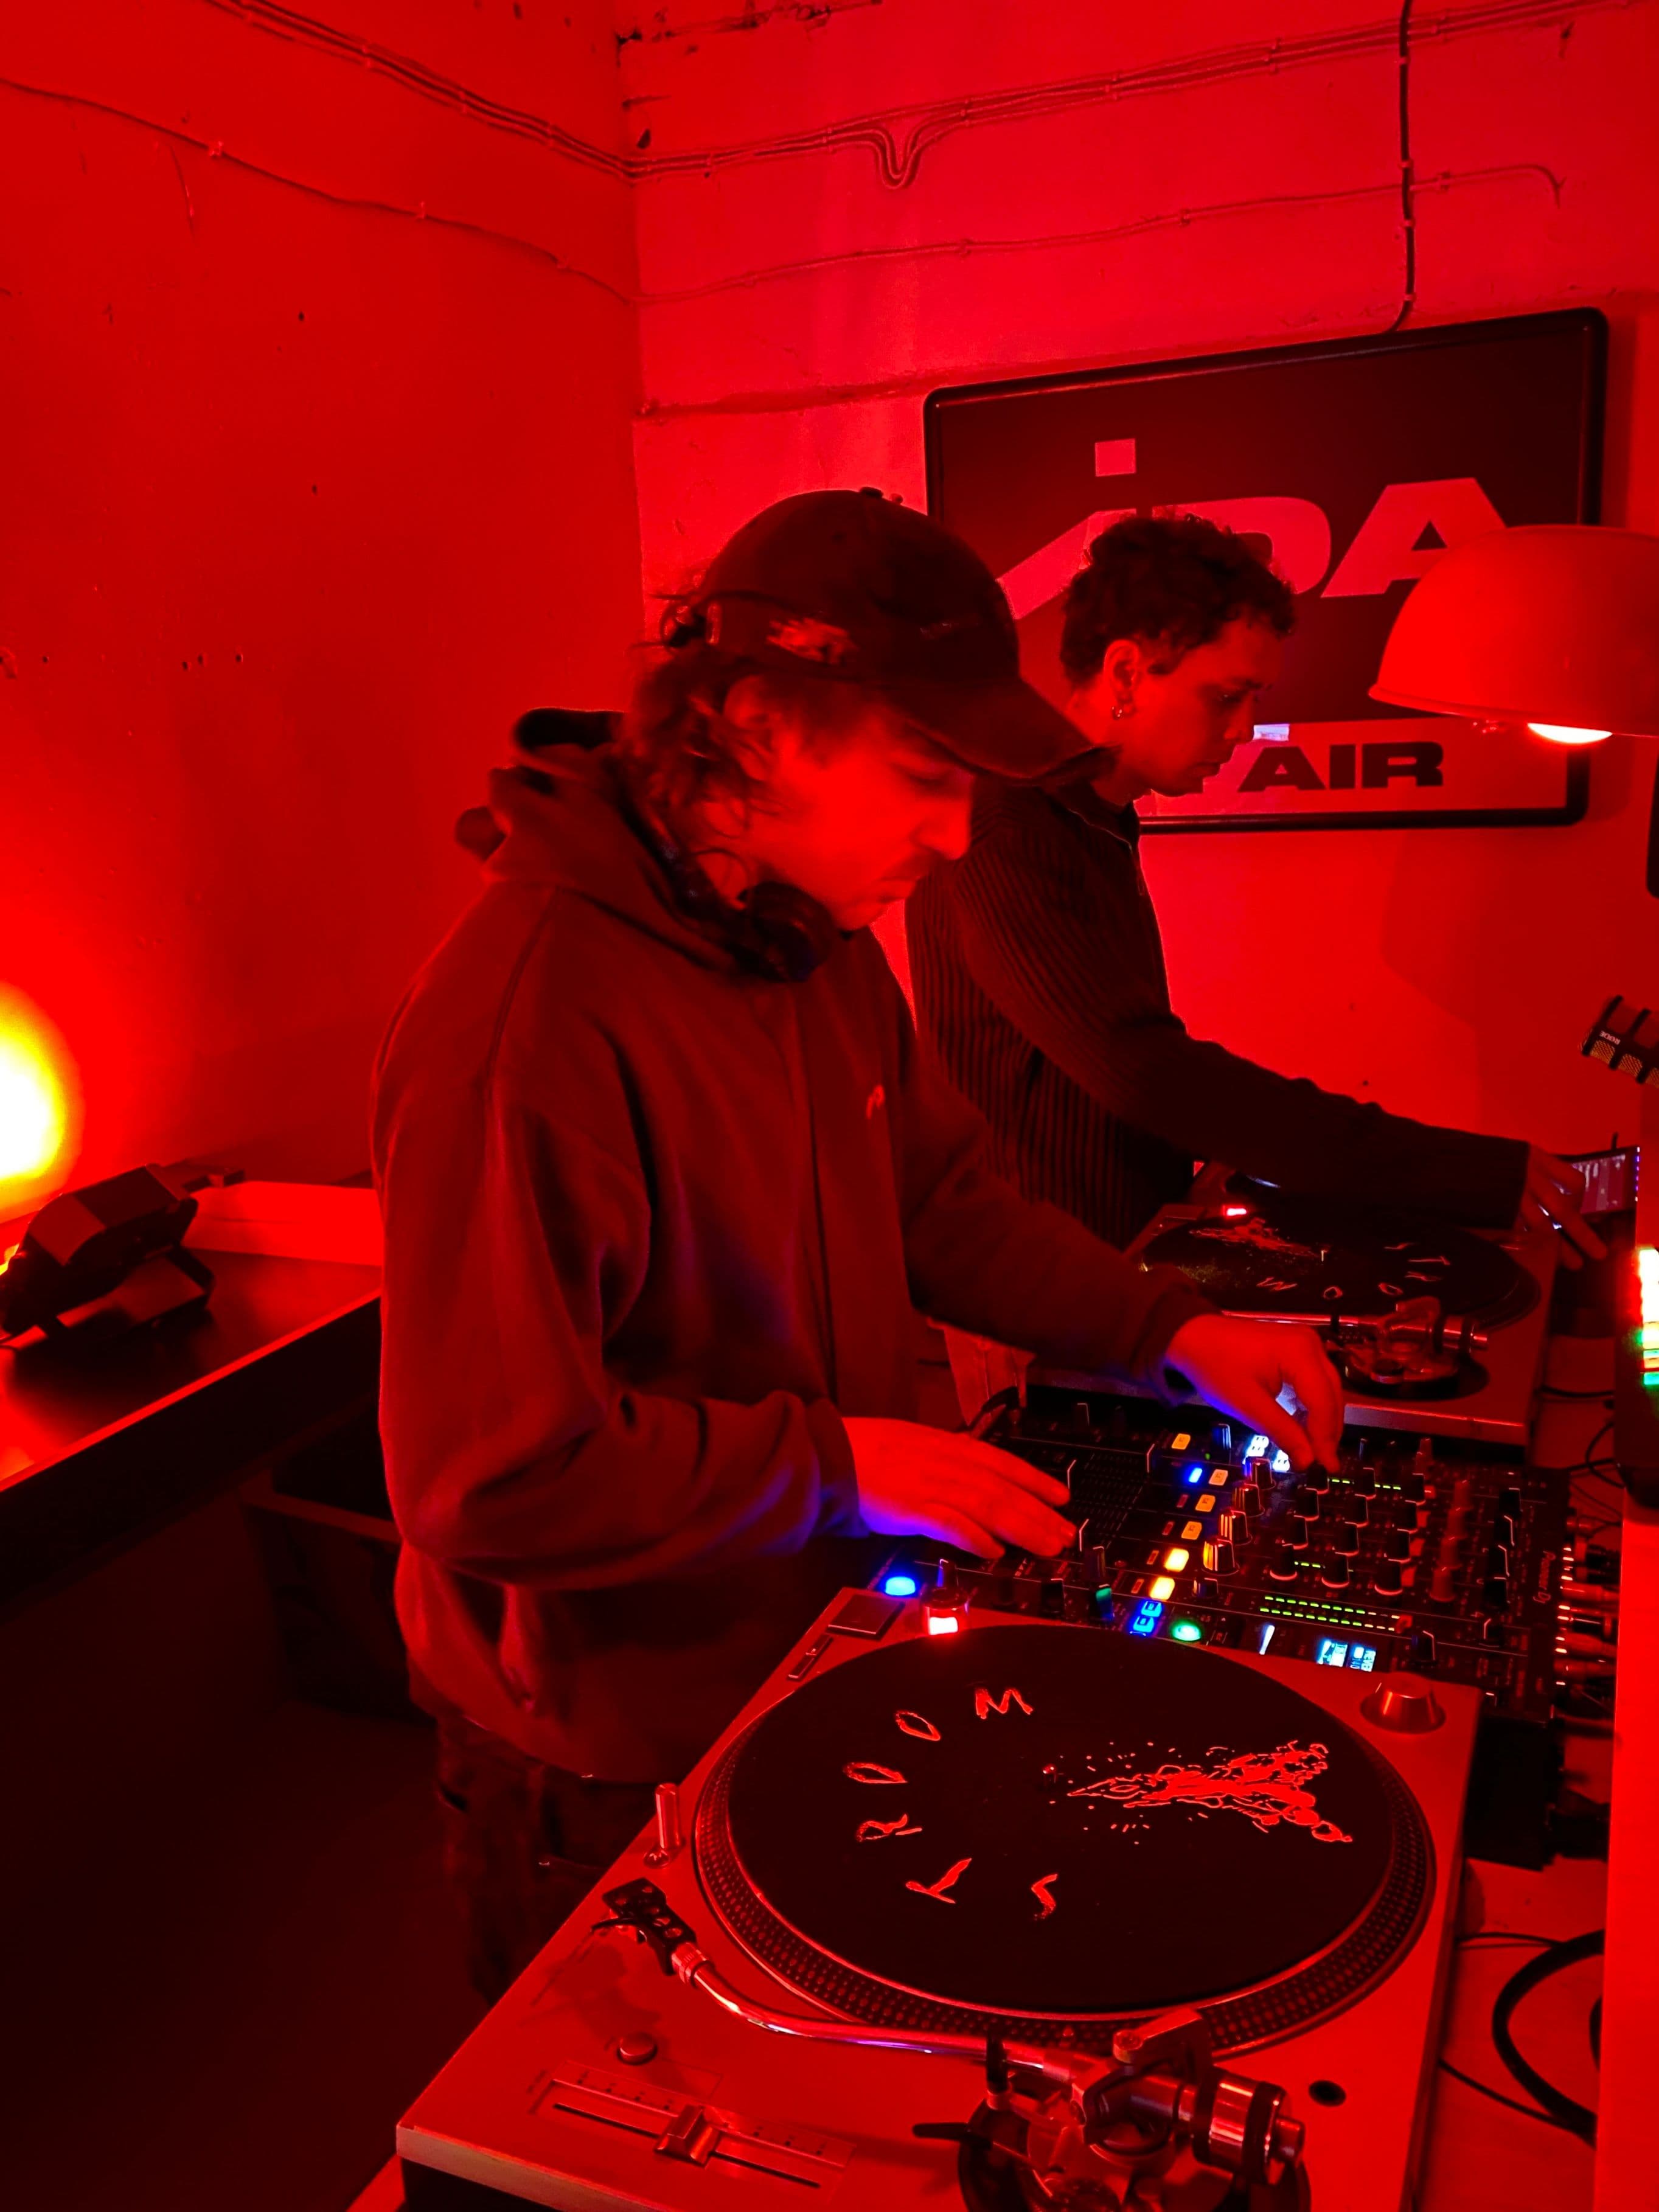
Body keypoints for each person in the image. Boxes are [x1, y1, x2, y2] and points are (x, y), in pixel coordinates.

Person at [372, 490, 1343, 2000]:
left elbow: (941, 1205)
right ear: (757, 729)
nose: (953, 839)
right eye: (923, 776)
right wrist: (837, 1464)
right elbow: (486, 1480)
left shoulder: (815, 943)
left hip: (800, 1640)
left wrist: (1169, 1328)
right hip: (598, 1744)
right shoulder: (527, 1024)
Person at [908, 511, 1602, 1263]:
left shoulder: (1095, 818)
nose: (1242, 730)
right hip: (1035, 1280)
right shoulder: (1010, 825)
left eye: (1253, 701)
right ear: (1126, 674)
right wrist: (1460, 1173)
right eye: (1224, 697)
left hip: (1108, 1263)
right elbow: (1144, 1072)